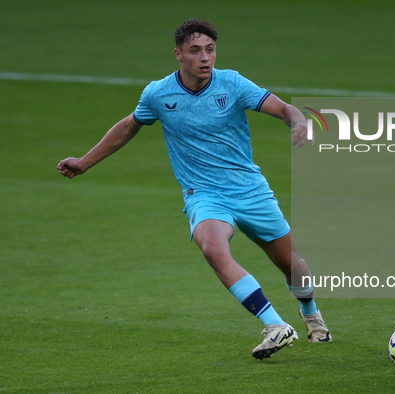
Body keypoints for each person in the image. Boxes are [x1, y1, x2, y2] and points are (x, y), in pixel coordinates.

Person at [57, 18, 331, 359]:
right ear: (179, 55)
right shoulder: (158, 93)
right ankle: (275, 325)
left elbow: (282, 108)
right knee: (212, 247)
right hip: (204, 195)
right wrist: (84, 162)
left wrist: (300, 121)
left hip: (250, 191)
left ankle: (311, 315)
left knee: (290, 264)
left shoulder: (231, 84)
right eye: (195, 51)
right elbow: (128, 127)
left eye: (210, 50)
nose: (205, 58)